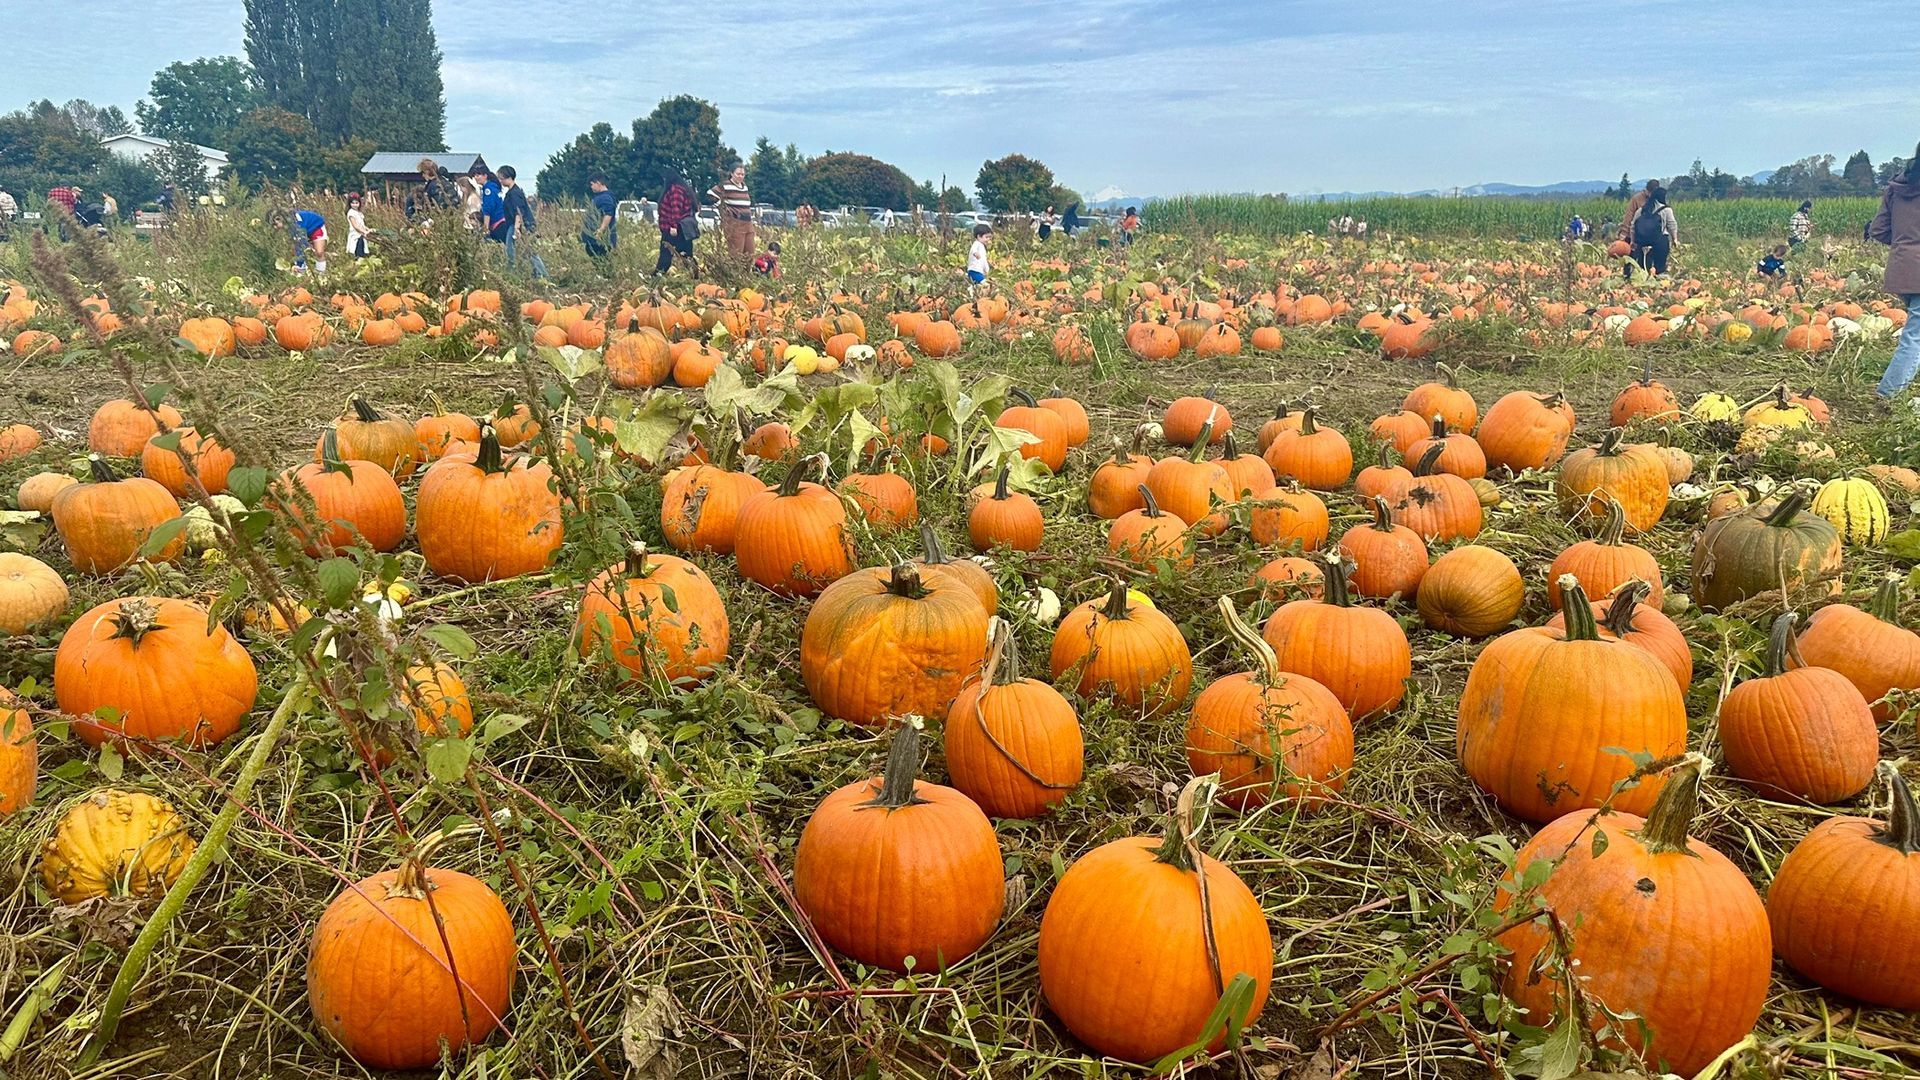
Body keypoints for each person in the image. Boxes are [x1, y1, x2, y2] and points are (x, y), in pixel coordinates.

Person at [1869, 148, 1920, 405]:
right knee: (1915, 337)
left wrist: (1903, 244)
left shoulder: (1896, 189)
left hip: (1902, 269)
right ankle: (1887, 395)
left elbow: (1877, 229)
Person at [497, 166, 547, 278]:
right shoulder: (512, 192)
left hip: (520, 225)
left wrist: (517, 228)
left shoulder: (515, 193)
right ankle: (538, 275)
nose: (500, 181)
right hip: (517, 225)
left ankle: (541, 275)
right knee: (526, 251)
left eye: (501, 178)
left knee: (521, 251)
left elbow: (519, 211)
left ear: (508, 177)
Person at [1626, 186, 1677, 276]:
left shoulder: (1641, 210)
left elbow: (1633, 226)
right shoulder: (1666, 210)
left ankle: (1643, 284)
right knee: (1660, 267)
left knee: (1643, 268)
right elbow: (1672, 225)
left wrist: (1633, 241)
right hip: (1660, 243)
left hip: (1642, 243)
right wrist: (1674, 239)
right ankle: (1658, 282)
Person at [656, 169, 696, 275]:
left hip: (673, 228)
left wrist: (673, 226)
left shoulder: (675, 190)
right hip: (680, 228)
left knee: (666, 253)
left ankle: (658, 274)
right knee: (685, 253)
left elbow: (676, 209)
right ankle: (693, 275)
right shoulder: (681, 189)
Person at [710, 164, 753, 258]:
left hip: (748, 222)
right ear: (732, 174)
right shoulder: (726, 185)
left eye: (743, 174)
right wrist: (724, 209)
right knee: (736, 253)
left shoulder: (744, 186)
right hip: (735, 222)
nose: (741, 176)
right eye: (738, 174)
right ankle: (735, 272)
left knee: (750, 253)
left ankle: (746, 272)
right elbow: (711, 194)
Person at [581, 174, 616, 256]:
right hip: (594, 239)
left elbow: (608, 214)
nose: (591, 187)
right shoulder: (600, 197)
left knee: (603, 262)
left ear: (598, 183)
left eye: (592, 184)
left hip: (600, 240)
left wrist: (600, 230)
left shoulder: (605, 197)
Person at [288, 208, 328, 273]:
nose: (276, 227)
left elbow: (302, 242)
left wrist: (300, 262)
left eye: (276, 225)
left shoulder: (298, 222)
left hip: (316, 227)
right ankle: (303, 271)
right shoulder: (288, 226)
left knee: (319, 252)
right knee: (298, 251)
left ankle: (321, 273)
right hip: (306, 232)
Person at [967, 222, 991, 287]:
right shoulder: (977, 244)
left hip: (979, 272)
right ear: (979, 236)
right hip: (974, 271)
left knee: (978, 285)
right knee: (986, 285)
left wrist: (987, 270)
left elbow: (984, 260)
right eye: (986, 237)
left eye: (989, 237)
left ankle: (971, 290)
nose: (988, 239)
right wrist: (975, 253)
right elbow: (973, 250)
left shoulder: (982, 247)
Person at [346, 193, 371, 257]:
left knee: (362, 250)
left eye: (356, 203)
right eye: (353, 203)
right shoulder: (351, 213)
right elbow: (355, 226)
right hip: (355, 235)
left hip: (362, 235)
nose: (355, 205)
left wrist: (368, 229)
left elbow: (361, 224)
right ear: (350, 203)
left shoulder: (359, 212)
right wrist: (364, 231)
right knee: (358, 251)